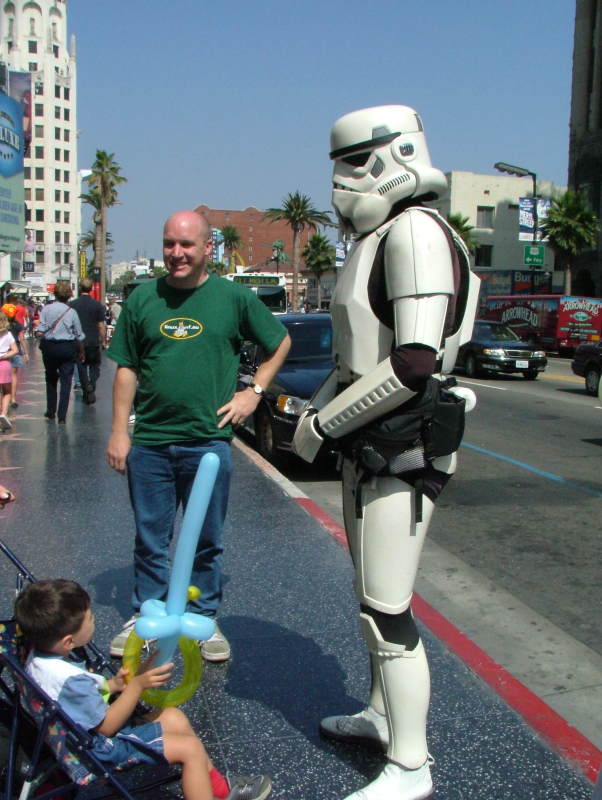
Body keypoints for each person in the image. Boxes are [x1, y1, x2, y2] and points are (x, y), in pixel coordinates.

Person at [294, 105, 480, 800]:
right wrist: (320, 413)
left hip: (400, 447)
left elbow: (411, 363)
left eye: (355, 165)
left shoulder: (417, 234)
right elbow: (355, 356)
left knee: (387, 606)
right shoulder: (384, 237)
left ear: (395, 156)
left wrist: (325, 425)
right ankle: (381, 714)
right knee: (370, 595)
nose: (343, 185)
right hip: (368, 446)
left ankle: (411, 763)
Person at [106, 210, 291, 661]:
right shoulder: (143, 299)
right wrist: (118, 432)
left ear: (208, 248)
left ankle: (203, 617)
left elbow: (279, 341)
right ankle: (145, 613)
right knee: (151, 536)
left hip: (208, 442)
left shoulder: (233, 297)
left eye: (187, 245)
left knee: (207, 537)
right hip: (149, 441)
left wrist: (254, 393)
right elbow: (127, 369)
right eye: (170, 243)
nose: (176, 253)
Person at [14, 579, 272, 800]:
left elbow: (80, 700)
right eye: (90, 618)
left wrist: (114, 685)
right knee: (190, 749)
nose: (94, 620)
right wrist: (135, 687)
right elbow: (107, 726)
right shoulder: (70, 680)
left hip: (75, 739)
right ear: (68, 640)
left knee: (173, 716)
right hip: (99, 750)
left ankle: (218, 788)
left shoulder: (38, 658)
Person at [36, 280, 85, 424]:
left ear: (55, 294)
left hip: (50, 347)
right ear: (69, 295)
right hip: (67, 348)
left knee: (50, 378)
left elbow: (40, 329)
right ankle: (62, 416)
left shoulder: (46, 309)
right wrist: (81, 351)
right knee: (66, 380)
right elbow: (79, 335)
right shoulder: (72, 312)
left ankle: (51, 410)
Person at [70, 278, 107, 404]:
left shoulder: (73, 304)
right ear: (91, 289)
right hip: (93, 341)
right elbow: (101, 325)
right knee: (94, 366)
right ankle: (92, 382)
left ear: (80, 288)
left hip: (78, 342)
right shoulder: (97, 305)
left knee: (81, 367)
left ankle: (86, 389)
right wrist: (103, 340)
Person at [2, 302, 28, 412]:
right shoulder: (17, 325)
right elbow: (22, 339)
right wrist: (26, 353)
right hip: (15, 353)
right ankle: (13, 398)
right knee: (13, 376)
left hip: (4, 354)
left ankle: (3, 405)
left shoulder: (4, 327)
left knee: (2, 381)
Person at [0, 311, 18, 431]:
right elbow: (15, 350)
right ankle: (4, 414)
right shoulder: (7, 334)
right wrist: (3, 355)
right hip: (4, 363)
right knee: (7, 391)